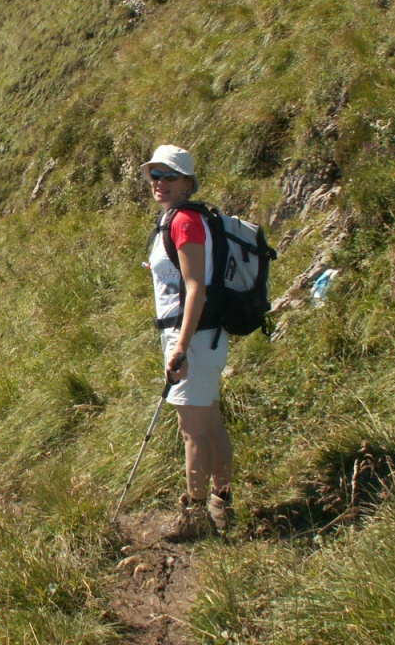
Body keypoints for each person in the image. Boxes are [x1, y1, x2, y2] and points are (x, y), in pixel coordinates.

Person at [142, 144, 233, 540]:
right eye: (154, 175)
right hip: (202, 336)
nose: (159, 182)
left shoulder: (184, 222)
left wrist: (180, 347)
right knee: (209, 422)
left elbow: (196, 287)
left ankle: (195, 517)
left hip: (192, 338)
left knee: (192, 431)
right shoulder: (178, 219)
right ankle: (221, 505)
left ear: (187, 183)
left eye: (169, 176)